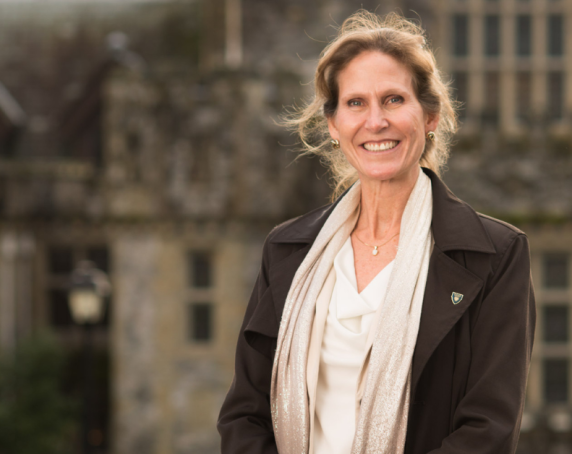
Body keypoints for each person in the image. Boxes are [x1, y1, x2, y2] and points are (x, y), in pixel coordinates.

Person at [217, 10, 535, 454]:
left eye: (393, 100)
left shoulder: (495, 256)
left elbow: (488, 428)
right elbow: (243, 414)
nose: (375, 122)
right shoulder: (288, 250)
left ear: (429, 116)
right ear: (333, 125)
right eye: (355, 103)